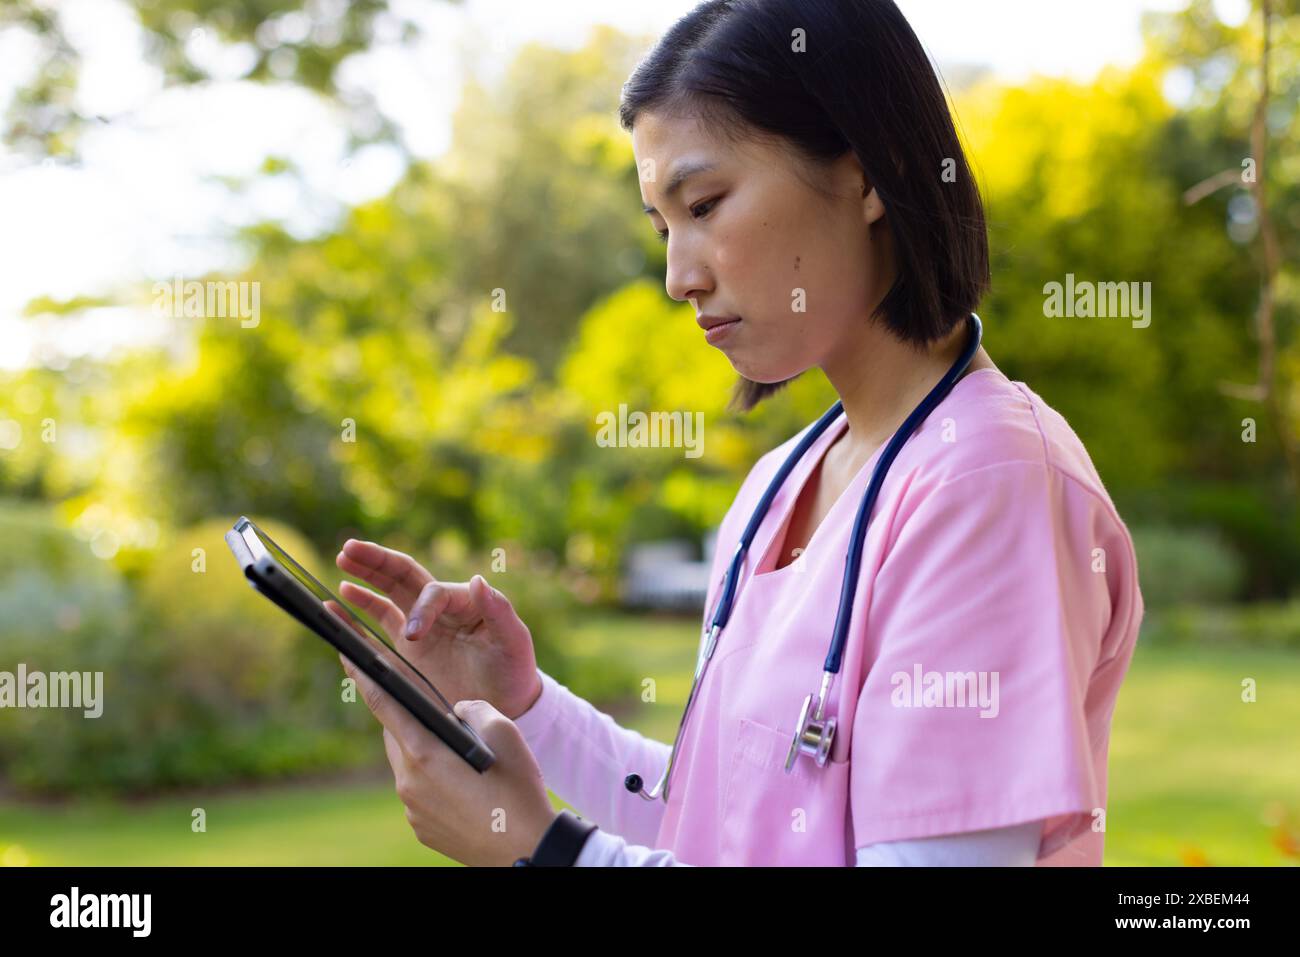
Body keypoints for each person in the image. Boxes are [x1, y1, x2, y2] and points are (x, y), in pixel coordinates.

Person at [333, 0, 1145, 867]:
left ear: (875, 170)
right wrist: (528, 704)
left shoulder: (989, 482)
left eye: (706, 203)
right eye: (662, 229)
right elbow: (721, 813)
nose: (680, 276)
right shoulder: (778, 486)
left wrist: (545, 851)